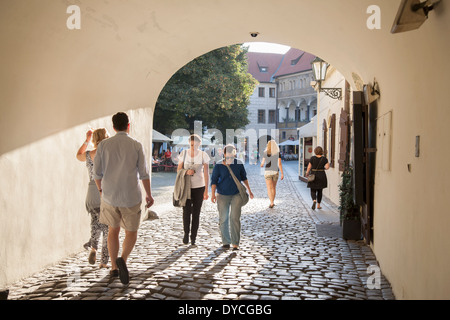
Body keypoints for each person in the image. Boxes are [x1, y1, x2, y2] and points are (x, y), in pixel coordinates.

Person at [93, 112, 154, 284]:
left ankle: (113, 267)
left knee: (113, 230)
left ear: (113, 126)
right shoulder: (136, 145)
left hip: (110, 195)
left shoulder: (104, 145)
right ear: (128, 125)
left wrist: (100, 190)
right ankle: (123, 260)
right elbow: (143, 173)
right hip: (131, 196)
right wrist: (148, 194)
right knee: (131, 232)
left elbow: (96, 173)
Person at [76, 128, 110, 268]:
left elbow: (78, 155)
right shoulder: (108, 154)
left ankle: (93, 249)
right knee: (108, 228)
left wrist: (87, 140)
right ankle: (104, 261)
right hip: (105, 191)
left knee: (95, 222)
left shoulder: (89, 154)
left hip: (91, 192)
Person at [211, 144, 254, 251]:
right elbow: (214, 181)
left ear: (235, 153)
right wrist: (212, 194)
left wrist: (249, 190)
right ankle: (226, 242)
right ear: (224, 154)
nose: (230, 154)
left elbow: (244, 178)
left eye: (232, 152)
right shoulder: (219, 165)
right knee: (223, 219)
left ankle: (235, 243)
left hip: (236, 194)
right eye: (228, 152)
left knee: (234, 218)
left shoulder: (238, 164)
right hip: (222, 195)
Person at [176, 134, 210, 245]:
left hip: (199, 187)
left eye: (195, 144)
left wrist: (206, 190)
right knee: (186, 212)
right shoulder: (184, 153)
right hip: (186, 187)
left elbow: (206, 173)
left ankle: (193, 237)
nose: (193, 146)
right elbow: (179, 169)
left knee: (196, 213)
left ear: (199, 144)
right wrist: (186, 172)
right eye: (191, 144)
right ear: (189, 143)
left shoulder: (203, 155)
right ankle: (186, 233)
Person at [260, 140, 284, 208]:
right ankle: (273, 201)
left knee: (269, 188)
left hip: (268, 171)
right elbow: (279, 164)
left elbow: (262, 163)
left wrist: (261, 165)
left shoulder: (265, 153)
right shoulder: (277, 153)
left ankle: (271, 202)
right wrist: (282, 173)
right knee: (273, 188)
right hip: (275, 171)